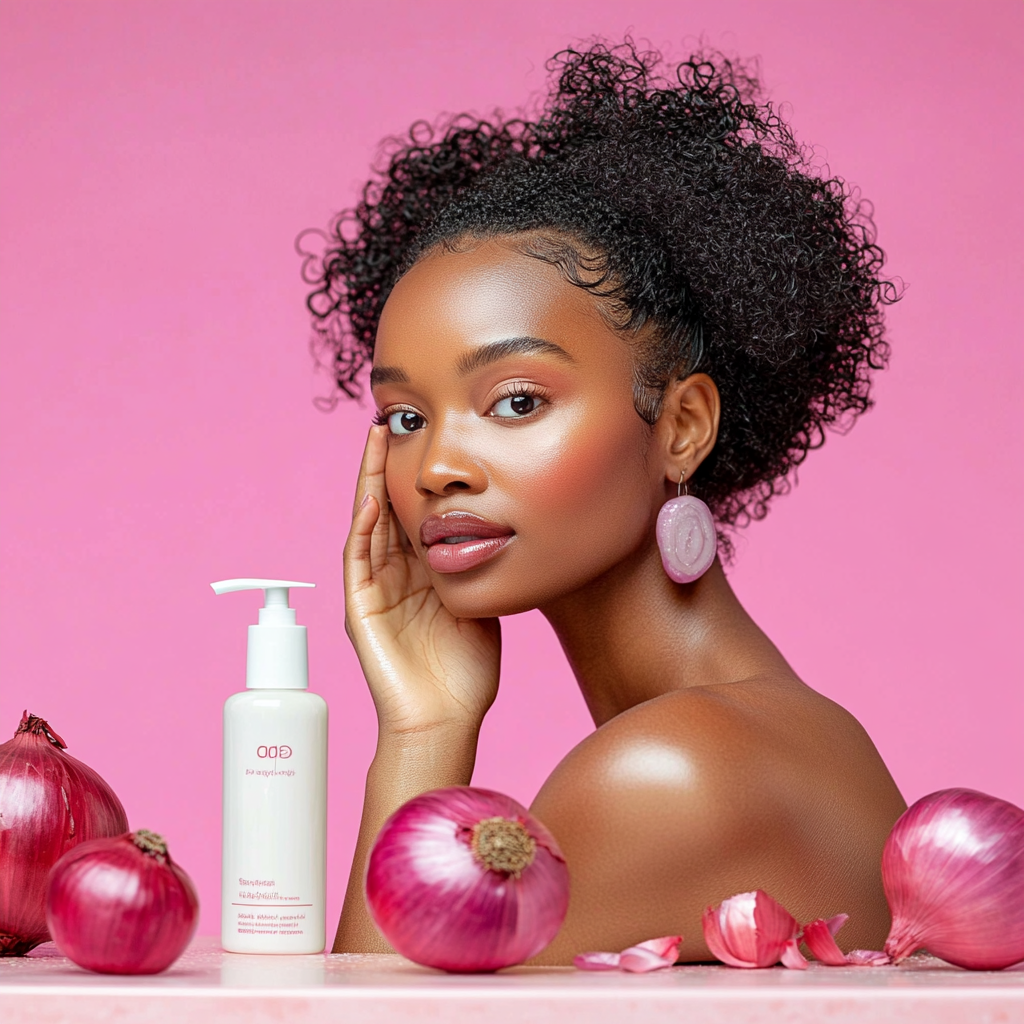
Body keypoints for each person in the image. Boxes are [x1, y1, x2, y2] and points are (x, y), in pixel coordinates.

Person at [302, 40, 906, 962]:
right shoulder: (770, 730)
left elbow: (371, 1016)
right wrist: (430, 711)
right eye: (406, 415)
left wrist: (421, 743)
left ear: (681, 427)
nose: (435, 468)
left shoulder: (672, 773)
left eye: (515, 401)